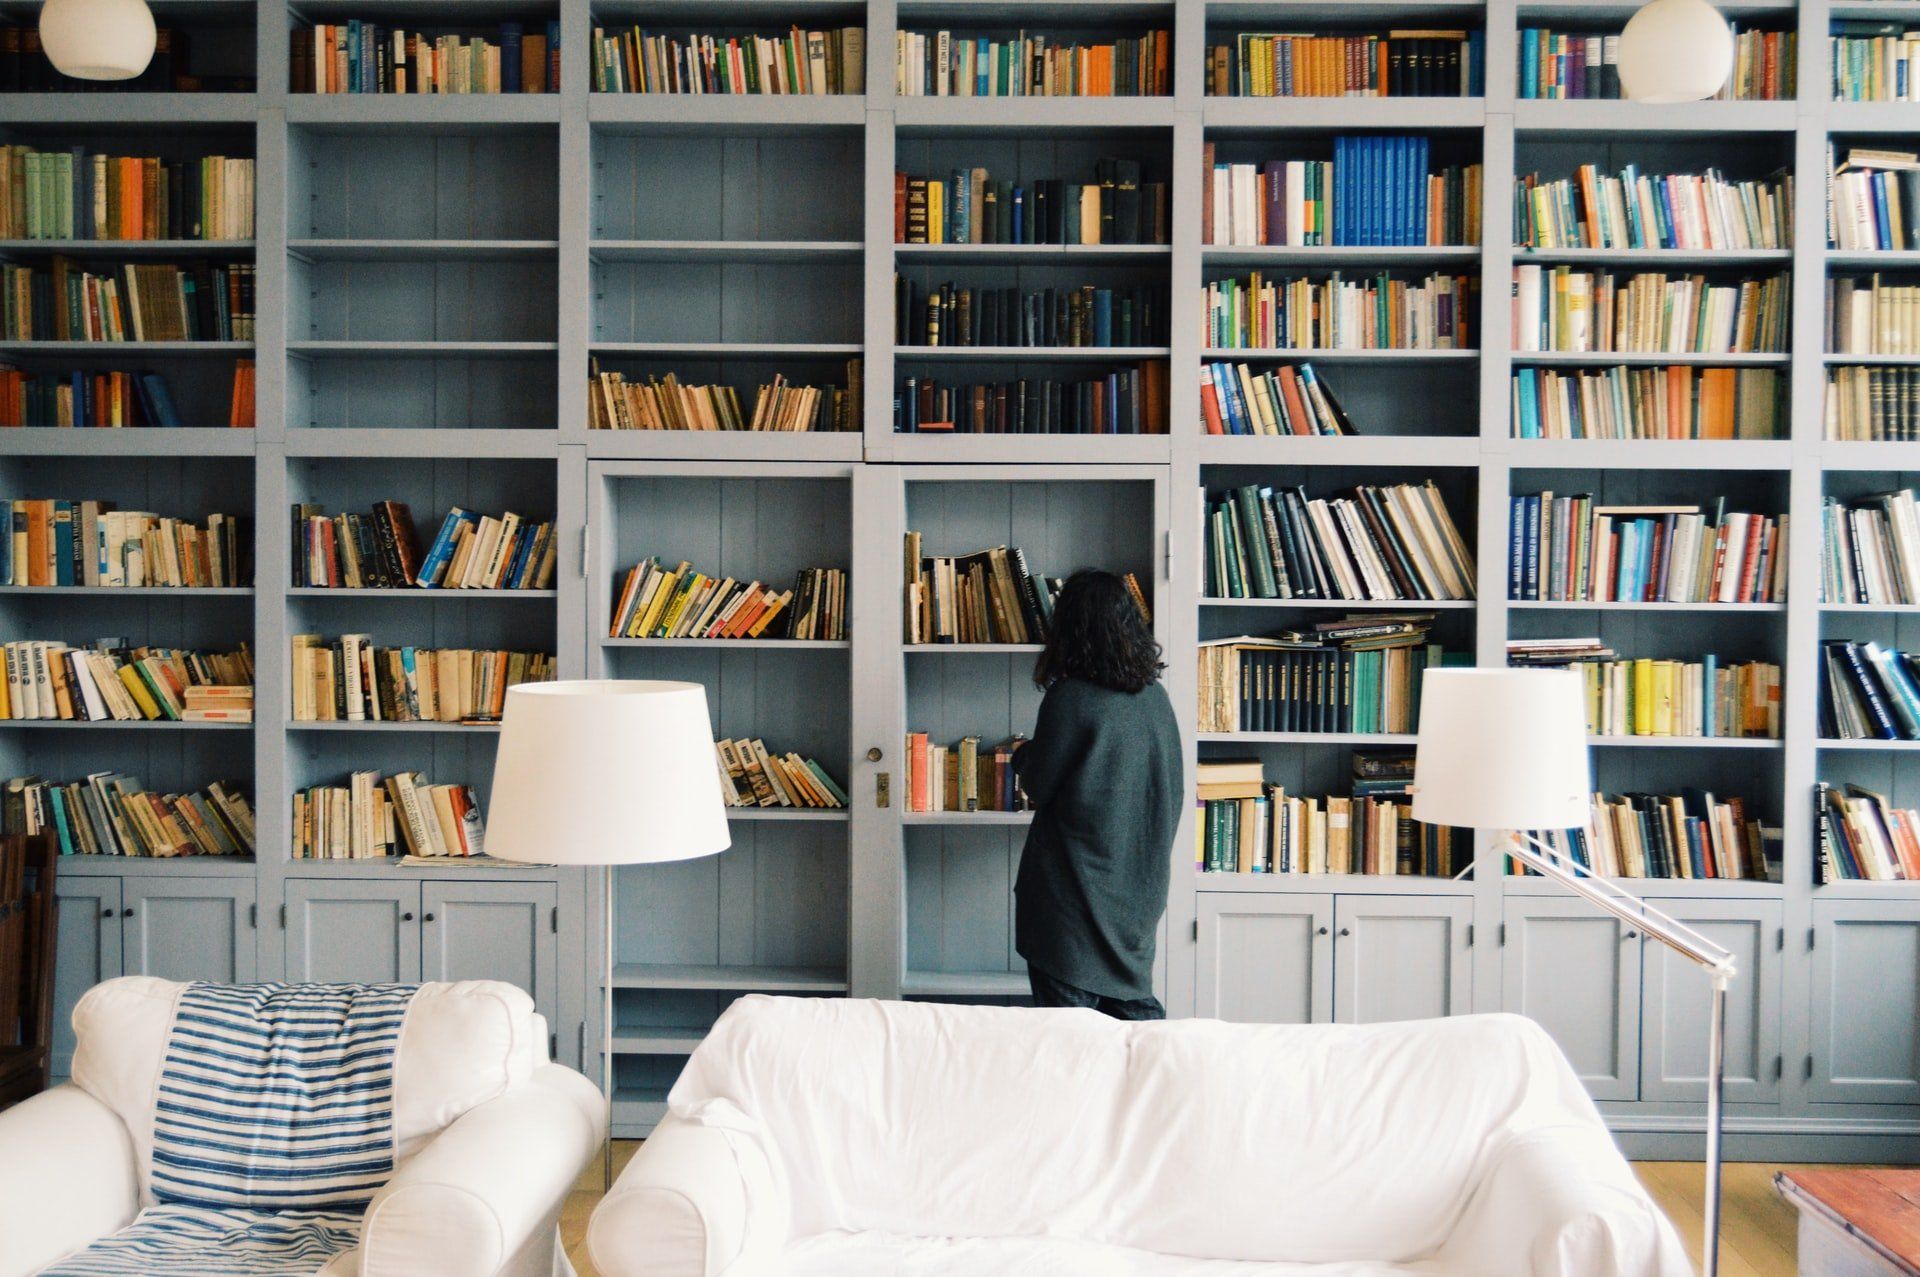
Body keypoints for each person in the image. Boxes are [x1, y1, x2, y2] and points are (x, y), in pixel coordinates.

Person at [1011, 569, 1183, 1019]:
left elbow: (1037, 785)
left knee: (1072, 1046)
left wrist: (1022, 754)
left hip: (1071, 896)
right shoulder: (1155, 697)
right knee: (1136, 1034)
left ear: (1069, 628)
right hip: (1137, 893)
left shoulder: (1071, 697)